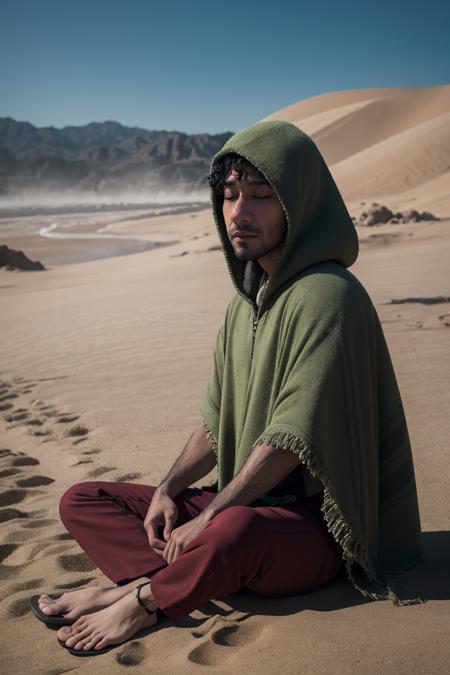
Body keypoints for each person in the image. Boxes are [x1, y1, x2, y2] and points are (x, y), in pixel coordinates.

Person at [30, 120, 423, 656]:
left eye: (262, 196)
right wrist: (169, 489)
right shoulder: (246, 303)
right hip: (245, 503)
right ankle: (161, 578)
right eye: (230, 195)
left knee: (234, 532)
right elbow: (218, 423)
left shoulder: (330, 296)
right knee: (86, 499)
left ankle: (140, 598)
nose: (239, 212)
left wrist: (211, 515)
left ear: (298, 204)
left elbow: (292, 437)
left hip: (315, 528)